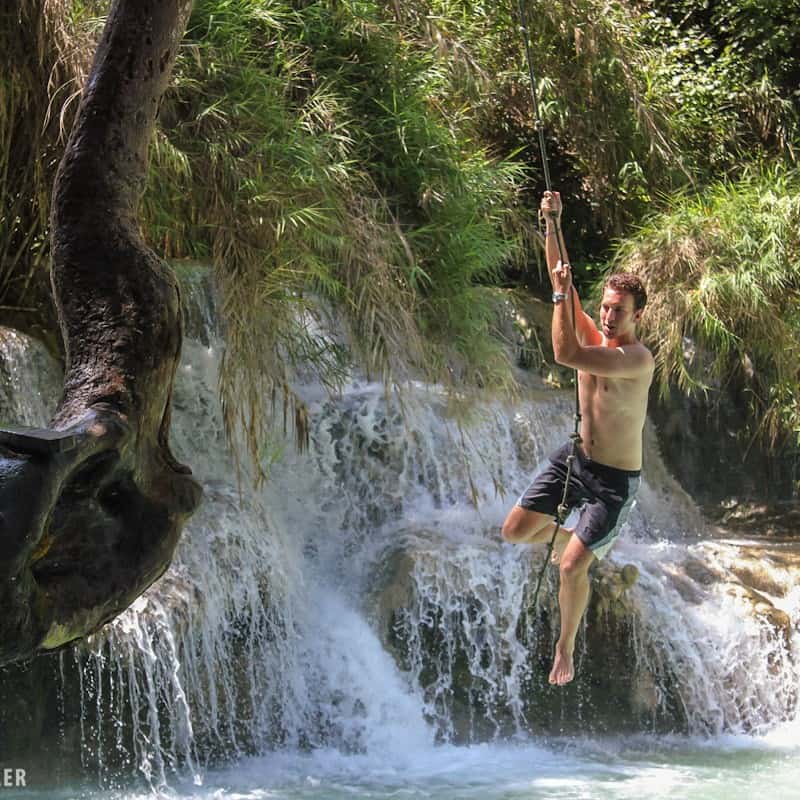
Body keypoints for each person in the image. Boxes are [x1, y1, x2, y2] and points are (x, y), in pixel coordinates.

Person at [502, 190, 654, 686]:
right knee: (514, 531)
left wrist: (561, 299)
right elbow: (560, 277)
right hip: (576, 461)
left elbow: (564, 352)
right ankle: (572, 537)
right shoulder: (595, 334)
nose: (608, 317)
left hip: (613, 483)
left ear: (637, 315)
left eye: (619, 311)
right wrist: (552, 223)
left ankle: (564, 646)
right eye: (605, 308)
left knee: (570, 568)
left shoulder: (636, 360)